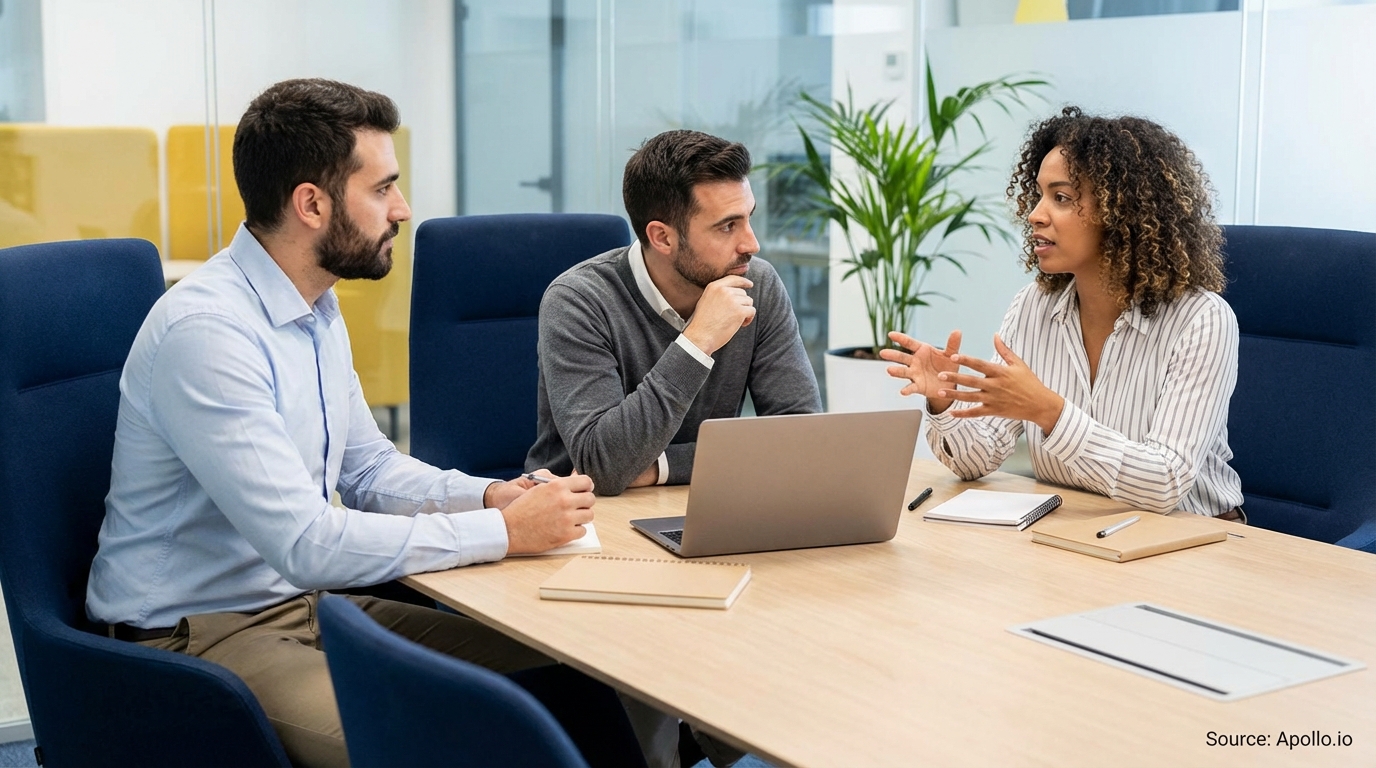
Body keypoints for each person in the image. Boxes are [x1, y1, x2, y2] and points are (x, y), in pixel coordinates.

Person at [84, 78, 636, 767]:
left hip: (310, 604)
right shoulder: (210, 333)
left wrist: (490, 496)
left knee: (574, 681)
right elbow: (307, 542)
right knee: (448, 747)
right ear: (311, 203)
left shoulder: (313, 305)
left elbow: (368, 469)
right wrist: (500, 533)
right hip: (196, 638)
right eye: (382, 189)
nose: (402, 209)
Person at [881, 106, 1244, 519]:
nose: (1035, 214)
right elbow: (976, 460)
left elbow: (1165, 483)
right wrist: (944, 402)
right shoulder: (1033, 306)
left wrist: (1049, 412)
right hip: (1074, 536)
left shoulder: (1202, 320)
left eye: (1061, 198)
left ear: (1120, 212)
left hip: (1193, 545)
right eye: (1038, 194)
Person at [526, 129, 822, 496]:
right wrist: (698, 341)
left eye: (748, 218)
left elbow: (801, 438)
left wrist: (658, 467)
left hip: (709, 500)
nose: (751, 243)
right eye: (728, 226)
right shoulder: (578, 301)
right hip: (579, 520)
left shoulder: (757, 283)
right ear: (662, 237)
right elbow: (602, 467)